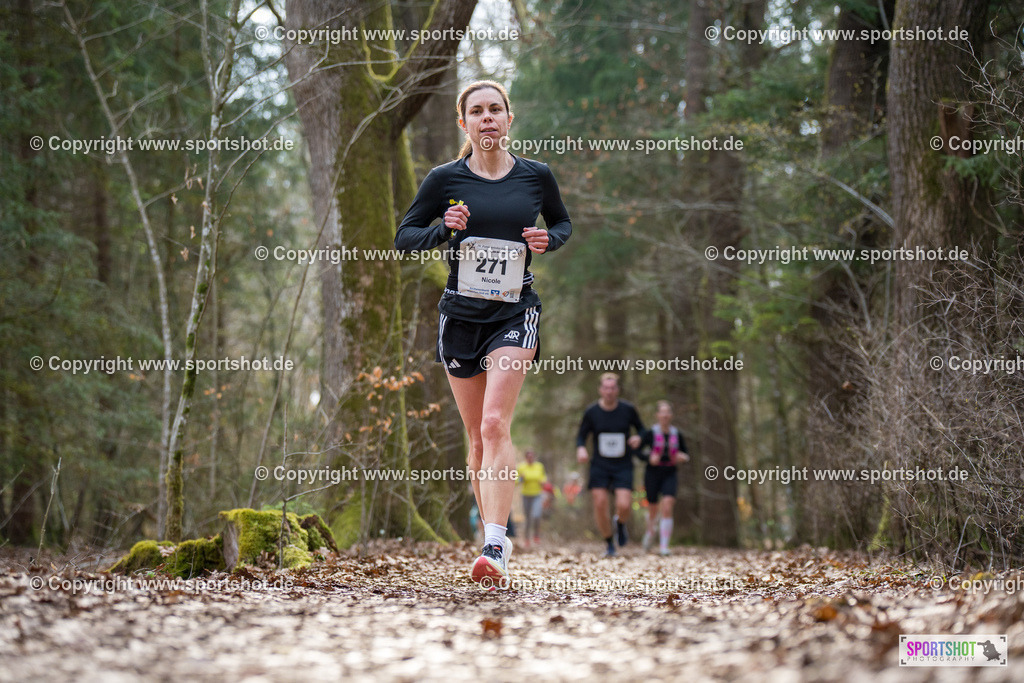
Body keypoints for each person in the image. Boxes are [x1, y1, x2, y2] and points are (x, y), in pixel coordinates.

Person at [395, 80, 572, 588]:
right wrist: (444, 229)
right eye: (477, 111)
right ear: (464, 123)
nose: (488, 117)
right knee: (475, 439)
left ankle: (496, 544)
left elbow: (561, 223)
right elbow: (405, 237)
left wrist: (548, 239)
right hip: (460, 317)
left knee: (495, 423)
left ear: (509, 118)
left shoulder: (536, 176)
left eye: (496, 109)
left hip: (516, 311)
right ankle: (493, 538)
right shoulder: (444, 178)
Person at [576, 373, 645, 557]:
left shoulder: (628, 409)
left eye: (612, 388)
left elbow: (642, 430)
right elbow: (582, 435)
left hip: (623, 464)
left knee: (624, 504)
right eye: (606, 388)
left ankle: (620, 523)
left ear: (618, 390)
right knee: (599, 503)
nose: (609, 391)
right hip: (600, 464)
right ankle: (609, 543)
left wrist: (639, 437)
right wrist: (581, 448)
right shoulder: (592, 412)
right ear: (600, 390)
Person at [638, 400, 689, 555]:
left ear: (671, 415)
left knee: (667, 505)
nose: (665, 415)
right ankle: (650, 532)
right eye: (662, 412)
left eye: (668, 412)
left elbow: (686, 454)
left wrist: (682, 457)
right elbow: (638, 452)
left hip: (670, 472)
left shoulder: (677, 434)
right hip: (652, 473)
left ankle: (664, 546)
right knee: (653, 508)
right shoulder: (650, 433)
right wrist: (649, 457)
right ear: (657, 415)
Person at [517, 449, 546, 547]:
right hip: (526, 495)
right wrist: (522, 478)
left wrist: (543, 482)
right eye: (528, 457)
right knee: (527, 518)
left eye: (532, 457)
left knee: (537, 515)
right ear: (526, 458)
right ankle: (526, 539)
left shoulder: (539, 466)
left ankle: (536, 536)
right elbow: (516, 480)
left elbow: (543, 478)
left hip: (537, 494)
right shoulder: (521, 467)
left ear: (534, 457)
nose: (530, 458)